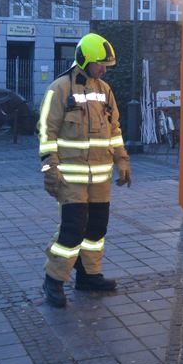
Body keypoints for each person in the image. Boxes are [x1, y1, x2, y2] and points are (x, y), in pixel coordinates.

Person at [38, 33, 132, 307]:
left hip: (100, 178)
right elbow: (46, 133)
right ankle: (53, 279)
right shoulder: (60, 89)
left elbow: (114, 130)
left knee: (96, 229)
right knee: (72, 229)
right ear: (84, 60)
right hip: (71, 177)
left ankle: (89, 276)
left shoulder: (105, 90)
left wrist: (122, 161)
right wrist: (49, 168)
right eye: (100, 64)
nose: (104, 70)